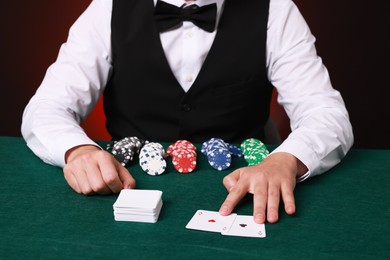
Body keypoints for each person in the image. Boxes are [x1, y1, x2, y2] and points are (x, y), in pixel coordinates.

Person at [21, 0, 353, 224]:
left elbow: (326, 112)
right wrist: (77, 150)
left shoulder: (276, 10)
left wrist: (288, 159)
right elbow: (46, 108)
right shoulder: (107, 8)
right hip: (128, 186)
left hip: (243, 191)